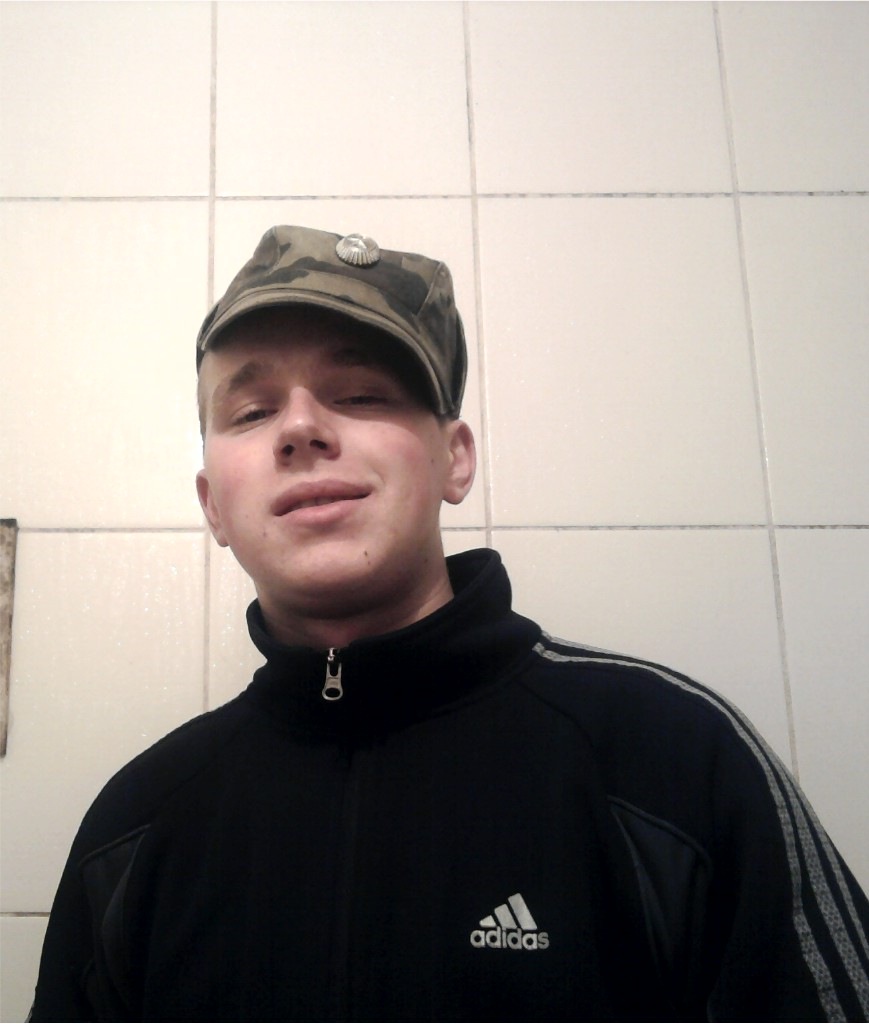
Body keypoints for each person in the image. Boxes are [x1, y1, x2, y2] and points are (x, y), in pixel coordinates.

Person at [31, 225, 869, 1022]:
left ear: (454, 459)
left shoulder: (674, 759)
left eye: (361, 394)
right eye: (250, 412)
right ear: (213, 502)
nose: (300, 428)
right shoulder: (134, 825)